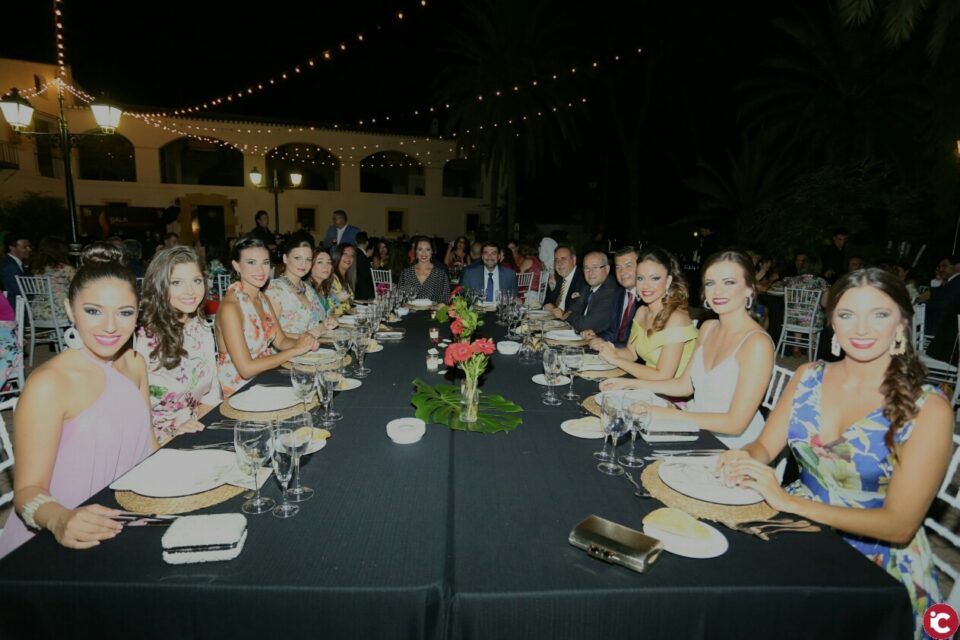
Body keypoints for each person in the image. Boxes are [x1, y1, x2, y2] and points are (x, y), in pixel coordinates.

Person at [717, 268, 953, 637]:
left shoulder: (929, 408)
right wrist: (744, 457)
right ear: (832, 323)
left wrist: (787, 501)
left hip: (874, 560)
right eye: (847, 315)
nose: (861, 329)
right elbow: (764, 445)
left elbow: (899, 524)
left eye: (879, 314)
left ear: (902, 324)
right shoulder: (808, 375)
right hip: (798, 529)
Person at [0, 243, 156, 559]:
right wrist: (61, 519)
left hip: (125, 519)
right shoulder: (49, 383)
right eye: (93, 311)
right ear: (70, 310)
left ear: (137, 314)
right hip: (57, 536)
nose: (110, 326)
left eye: (124, 312)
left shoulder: (136, 363)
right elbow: (26, 492)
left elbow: (148, 450)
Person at [602, 250, 774, 448]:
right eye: (710, 283)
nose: (718, 291)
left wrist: (666, 414)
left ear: (749, 289)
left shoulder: (757, 344)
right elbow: (684, 386)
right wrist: (627, 385)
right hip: (695, 428)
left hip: (732, 447)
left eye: (729, 282)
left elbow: (735, 424)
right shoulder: (708, 328)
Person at [135, 246, 221, 444]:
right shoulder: (141, 338)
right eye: (177, 282)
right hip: (153, 441)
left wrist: (201, 425)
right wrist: (174, 434)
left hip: (195, 426)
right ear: (159, 286)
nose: (190, 291)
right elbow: (131, 415)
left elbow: (212, 391)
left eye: (196, 281)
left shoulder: (200, 327)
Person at [214, 236, 318, 397]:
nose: (261, 270)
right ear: (236, 265)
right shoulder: (230, 307)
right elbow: (246, 369)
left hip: (266, 378)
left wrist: (305, 341)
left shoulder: (263, 298)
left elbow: (281, 341)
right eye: (251, 262)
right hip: (241, 389)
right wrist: (296, 350)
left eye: (265, 262)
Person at [590, 247, 698, 379]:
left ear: (668, 281)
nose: (645, 286)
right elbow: (631, 353)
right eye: (640, 278)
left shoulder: (676, 318)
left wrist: (615, 360)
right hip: (648, 387)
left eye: (654, 278)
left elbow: (663, 376)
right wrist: (606, 348)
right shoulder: (641, 312)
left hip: (671, 396)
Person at [265, 232, 338, 339]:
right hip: (289, 353)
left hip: (312, 351)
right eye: (297, 258)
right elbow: (271, 334)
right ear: (285, 258)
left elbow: (314, 325)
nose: (303, 264)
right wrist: (305, 336)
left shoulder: (307, 289)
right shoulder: (275, 289)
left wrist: (325, 325)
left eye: (308, 259)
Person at [582, 246, 641, 348]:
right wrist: (596, 336)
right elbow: (614, 332)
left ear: (641, 267)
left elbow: (635, 345)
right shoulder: (619, 294)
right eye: (618, 267)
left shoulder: (647, 299)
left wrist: (607, 345)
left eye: (628, 265)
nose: (622, 272)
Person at [565, 251, 617, 334]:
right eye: (587, 268)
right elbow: (572, 309)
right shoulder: (587, 287)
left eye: (595, 267)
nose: (590, 272)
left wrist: (570, 316)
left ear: (607, 269)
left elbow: (585, 325)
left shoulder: (610, 290)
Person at [29, 236, 75, 325]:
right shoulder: (66, 269)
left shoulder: (37, 270)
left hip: (37, 311)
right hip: (59, 312)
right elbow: (77, 288)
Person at [397, 237, 451, 302]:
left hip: (433, 312)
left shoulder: (440, 274)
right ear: (415, 252)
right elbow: (400, 298)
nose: (424, 253)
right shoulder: (406, 273)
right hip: (410, 311)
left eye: (427, 249)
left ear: (432, 252)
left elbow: (445, 300)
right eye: (420, 249)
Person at [542, 245, 589, 320]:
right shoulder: (560, 279)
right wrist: (551, 307)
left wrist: (563, 314)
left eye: (563, 259)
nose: (559, 263)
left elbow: (579, 309)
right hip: (554, 321)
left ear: (574, 260)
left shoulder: (583, 279)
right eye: (556, 260)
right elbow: (548, 300)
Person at [0, 232, 31, 308]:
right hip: (15, 309)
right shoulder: (9, 266)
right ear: (12, 248)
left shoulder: (15, 263)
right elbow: (17, 292)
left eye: (29, 246)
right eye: (25, 247)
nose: (29, 249)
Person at [308, 248, 341, 317]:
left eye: (328, 262)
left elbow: (334, 312)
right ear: (310, 265)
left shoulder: (326, 288)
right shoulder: (306, 289)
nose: (326, 266)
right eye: (320, 262)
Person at [330, 243, 357, 312]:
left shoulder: (346, 278)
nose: (349, 258)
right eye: (345, 254)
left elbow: (348, 304)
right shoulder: (332, 278)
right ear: (338, 255)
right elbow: (328, 304)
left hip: (345, 319)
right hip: (335, 319)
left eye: (352, 255)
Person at [351, 231, 376, 300]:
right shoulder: (363, 257)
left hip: (355, 290)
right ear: (367, 243)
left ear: (356, 242)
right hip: (364, 294)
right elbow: (368, 276)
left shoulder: (353, 253)